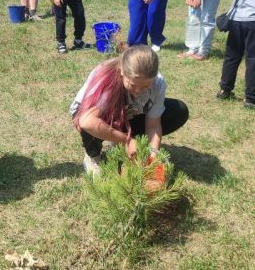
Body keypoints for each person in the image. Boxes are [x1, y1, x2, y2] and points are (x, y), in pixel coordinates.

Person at [70, 44, 189, 175]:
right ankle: (93, 155)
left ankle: (122, 143)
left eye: (145, 86)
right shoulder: (109, 80)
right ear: (122, 71)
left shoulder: (158, 83)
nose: (138, 91)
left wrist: (152, 156)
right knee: (89, 124)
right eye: (132, 84)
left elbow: (154, 125)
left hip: (128, 114)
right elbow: (87, 121)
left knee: (178, 110)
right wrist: (126, 140)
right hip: (91, 116)